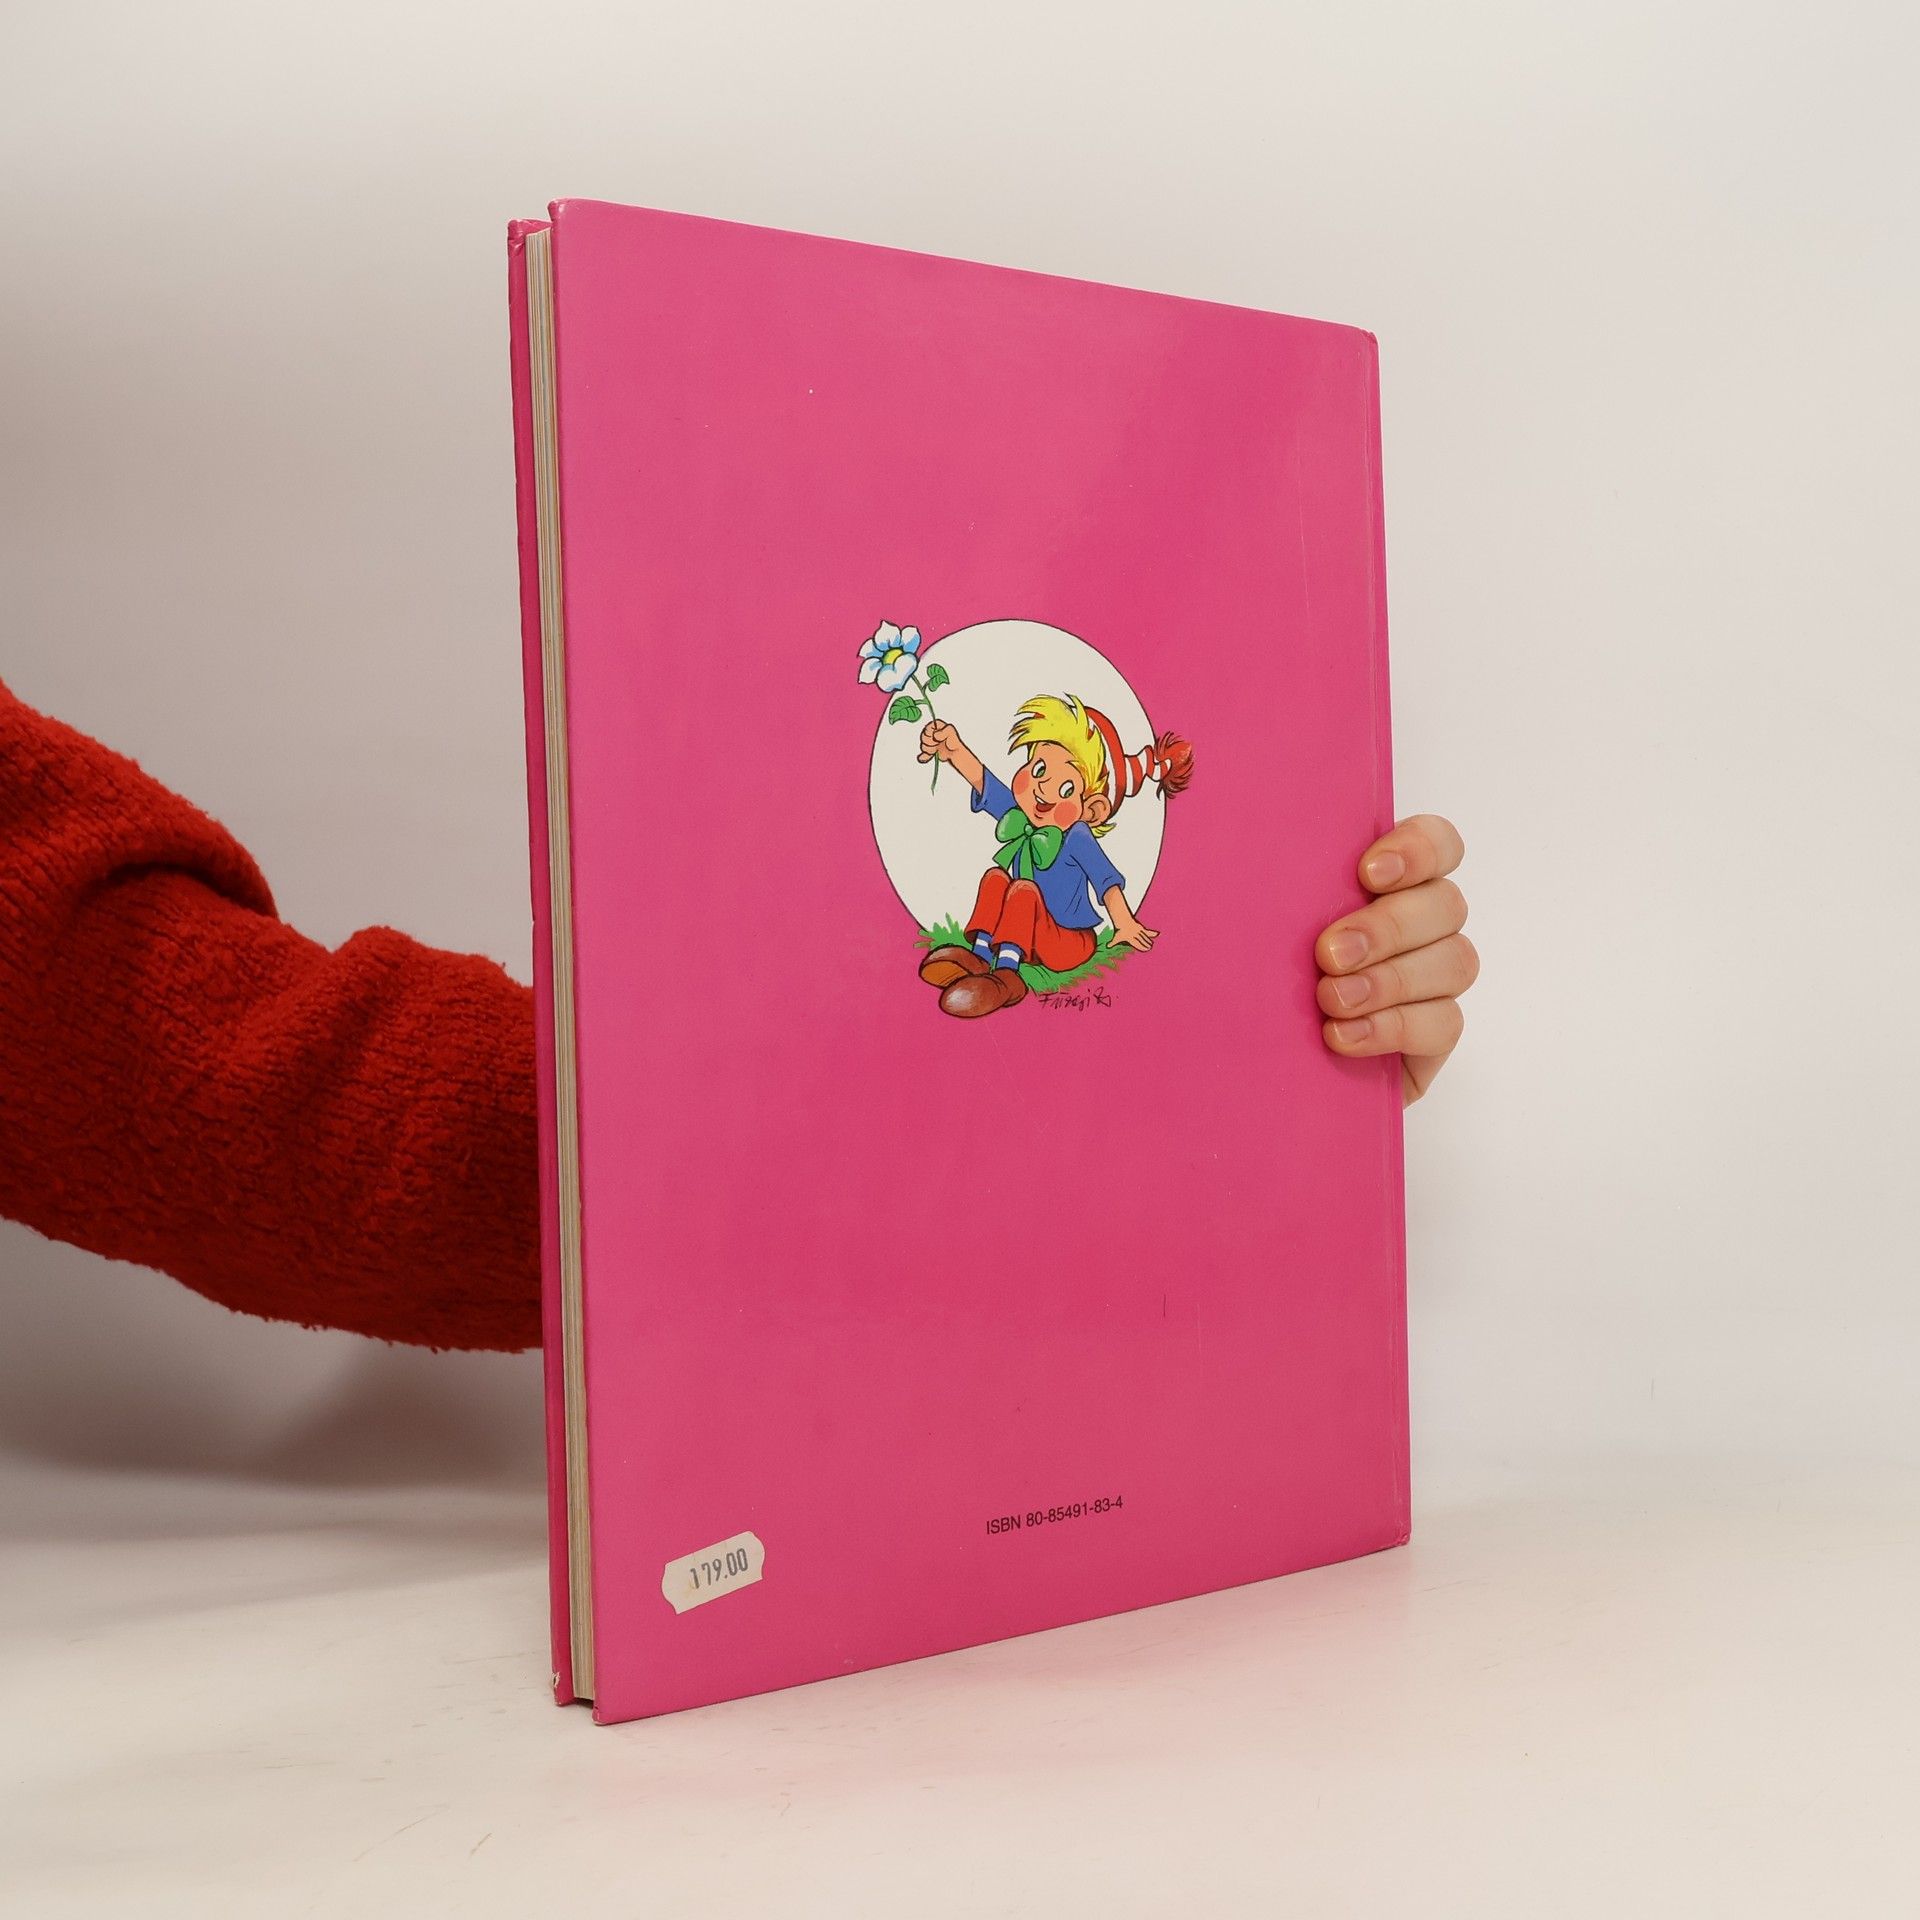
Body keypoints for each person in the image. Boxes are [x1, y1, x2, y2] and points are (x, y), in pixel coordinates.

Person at [0, 673, 1475, 1352]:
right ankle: (981, 986)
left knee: (1017, 951)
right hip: (983, 972)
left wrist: (1252, 1056)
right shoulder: (1022, 821)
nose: (1035, 788)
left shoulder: (1078, 841)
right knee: (993, 940)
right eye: (1033, 775)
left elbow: (188, 1059)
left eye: (1053, 777)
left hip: (1018, 987)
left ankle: (991, 994)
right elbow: (217, 1086)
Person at [915, 693, 1193, 1018]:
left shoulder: (1077, 836)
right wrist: (954, 750)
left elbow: (1106, 881)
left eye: (1065, 789)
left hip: (1068, 942)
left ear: (1091, 810)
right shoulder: (1022, 816)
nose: (1042, 788)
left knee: (1023, 890)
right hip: (1028, 936)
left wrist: (1124, 923)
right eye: (1039, 768)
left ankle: (1007, 976)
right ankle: (979, 957)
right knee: (995, 877)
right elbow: (984, 783)